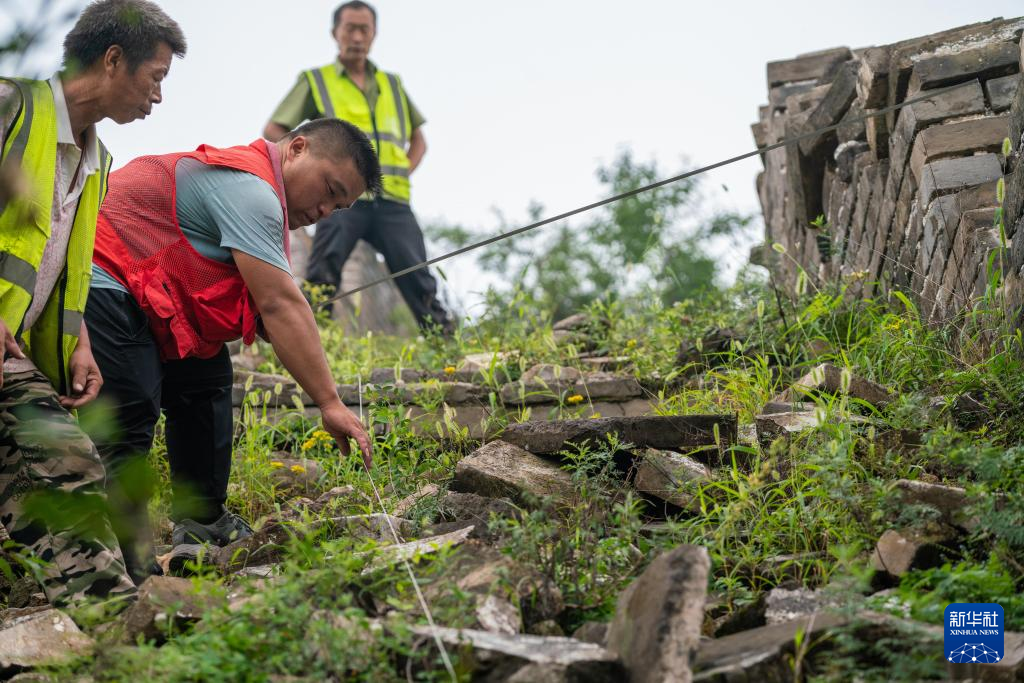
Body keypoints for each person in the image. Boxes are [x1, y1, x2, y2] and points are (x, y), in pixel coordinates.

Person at [81, 118, 380, 580]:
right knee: (131, 408)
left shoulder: (259, 197)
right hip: (99, 278)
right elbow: (281, 304)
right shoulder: (252, 190)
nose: (324, 210)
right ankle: (122, 566)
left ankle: (202, 524)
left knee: (207, 378)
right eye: (328, 189)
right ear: (297, 148)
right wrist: (330, 402)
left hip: (150, 294)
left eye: (337, 206)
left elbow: (261, 301)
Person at [0, 0, 185, 603]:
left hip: (14, 351)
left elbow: (60, 265)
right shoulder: (10, 106)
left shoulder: (97, 160)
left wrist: (79, 341)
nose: (157, 97)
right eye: (155, 77)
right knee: (66, 460)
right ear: (112, 60)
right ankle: (117, 624)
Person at [263, 0, 453, 334]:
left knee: (417, 275)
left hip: (393, 201)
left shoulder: (392, 85)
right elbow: (274, 132)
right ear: (335, 33)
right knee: (323, 274)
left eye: (364, 29)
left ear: (374, 34)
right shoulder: (316, 80)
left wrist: (403, 171)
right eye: (349, 28)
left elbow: (419, 139)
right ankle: (311, 345)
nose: (356, 36)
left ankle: (445, 345)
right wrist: (305, 171)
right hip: (338, 201)